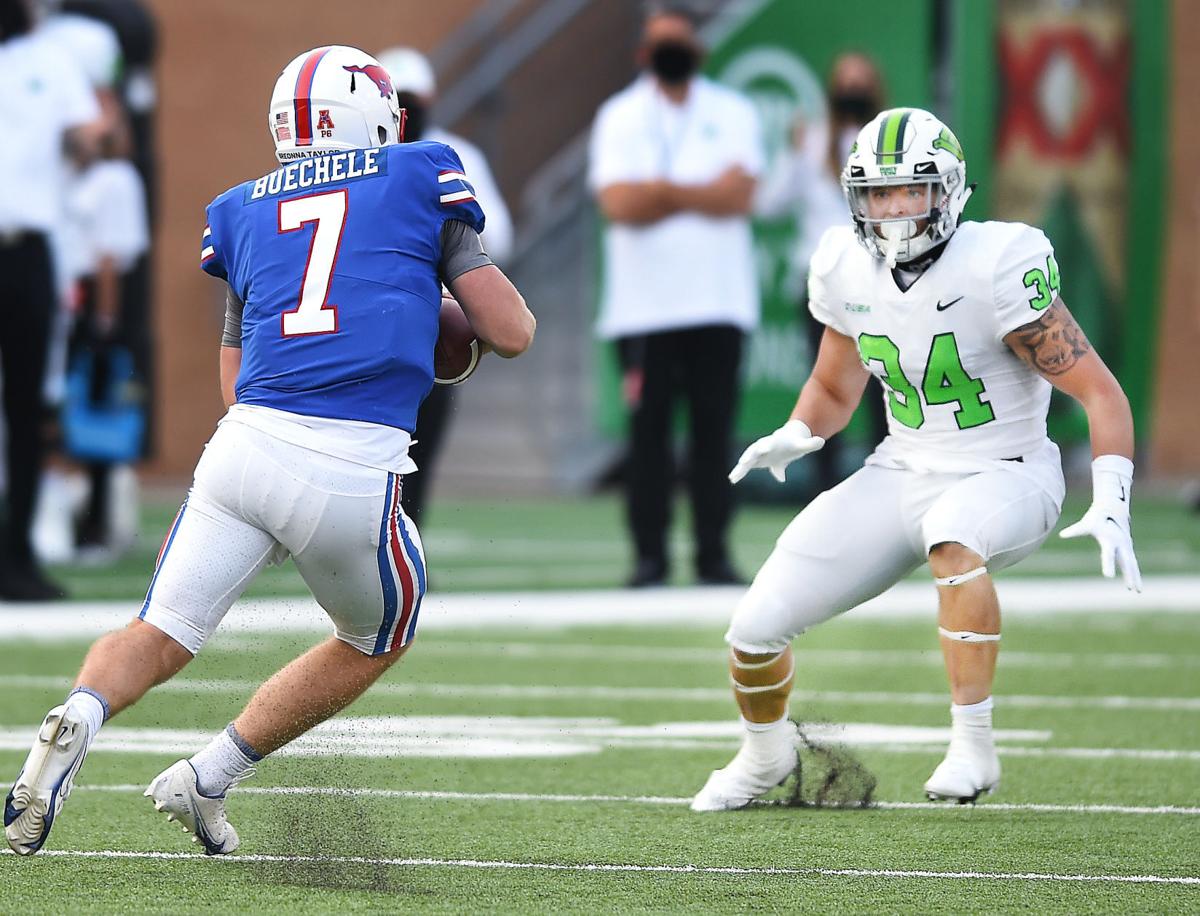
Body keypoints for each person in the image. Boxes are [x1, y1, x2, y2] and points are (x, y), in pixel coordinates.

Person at [4, 44, 535, 857]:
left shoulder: (242, 209)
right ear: (371, 117)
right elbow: (511, 332)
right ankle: (210, 773)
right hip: (350, 462)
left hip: (243, 447)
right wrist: (430, 310)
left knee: (159, 630)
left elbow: (236, 377)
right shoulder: (420, 173)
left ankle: (80, 711)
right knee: (378, 637)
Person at [691, 107, 1140, 811]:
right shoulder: (844, 264)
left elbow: (1100, 392)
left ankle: (974, 745)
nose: (894, 208)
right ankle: (763, 755)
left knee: (953, 539)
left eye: (911, 189)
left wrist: (1112, 494)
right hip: (902, 469)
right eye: (878, 193)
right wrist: (799, 430)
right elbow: (835, 385)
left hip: (1008, 470)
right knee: (753, 627)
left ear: (950, 190)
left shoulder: (999, 262)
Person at [589, 2, 764, 587]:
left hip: (718, 303)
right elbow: (617, 204)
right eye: (660, 42)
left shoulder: (734, 111)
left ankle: (713, 554)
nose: (670, 52)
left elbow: (740, 197)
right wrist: (698, 191)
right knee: (649, 440)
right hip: (642, 312)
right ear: (643, 53)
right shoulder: (618, 115)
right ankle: (650, 557)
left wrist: (659, 191)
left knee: (715, 435)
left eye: (679, 42)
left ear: (699, 50)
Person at [375, 45, 514, 526]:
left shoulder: (454, 156)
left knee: (421, 447)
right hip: (368, 323)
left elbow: (499, 234)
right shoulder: (364, 161)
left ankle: (406, 537)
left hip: (427, 321)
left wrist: (455, 248)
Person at [0, 0, 102, 600]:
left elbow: (89, 133)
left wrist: (85, 146)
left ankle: (16, 557)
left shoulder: (51, 58)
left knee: (27, 403)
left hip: (26, 247)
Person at [755, 51, 888, 494]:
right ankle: (826, 493)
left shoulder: (888, 142)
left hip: (880, 282)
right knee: (828, 387)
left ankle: (886, 490)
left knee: (882, 393)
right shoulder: (811, 142)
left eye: (861, 81)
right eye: (846, 81)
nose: (853, 91)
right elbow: (770, 203)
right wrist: (790, 155)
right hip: (824, 286)